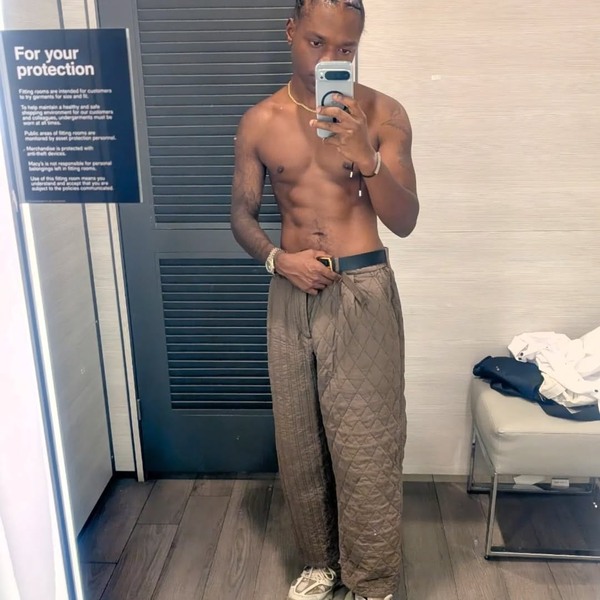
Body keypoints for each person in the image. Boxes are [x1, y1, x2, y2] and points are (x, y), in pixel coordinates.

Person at [230, 1, 418, 599]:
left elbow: (406, 220)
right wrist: (276, 258)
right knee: (300, 438)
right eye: (316, 43)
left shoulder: (383, 113)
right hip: (291, 289)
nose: (329, 59)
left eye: (345, 49)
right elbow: (241, 215)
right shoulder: (260, 121)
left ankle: (372, 580)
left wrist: (368, 158)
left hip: (362, 289)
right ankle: (321, 561)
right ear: (291, 32)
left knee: (367, 441)